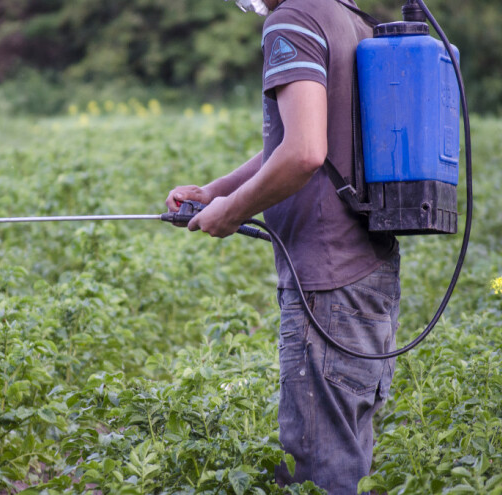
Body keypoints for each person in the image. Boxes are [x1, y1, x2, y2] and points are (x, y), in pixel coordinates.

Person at [165, 0, 400, 493]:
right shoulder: (347, 18)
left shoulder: (292, 19)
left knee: (320, 468)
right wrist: (217, 192)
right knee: (342, 455)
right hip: (365, 272)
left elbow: (305, 152)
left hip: (327, 283)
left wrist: (231, 213)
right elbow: (298, 141)